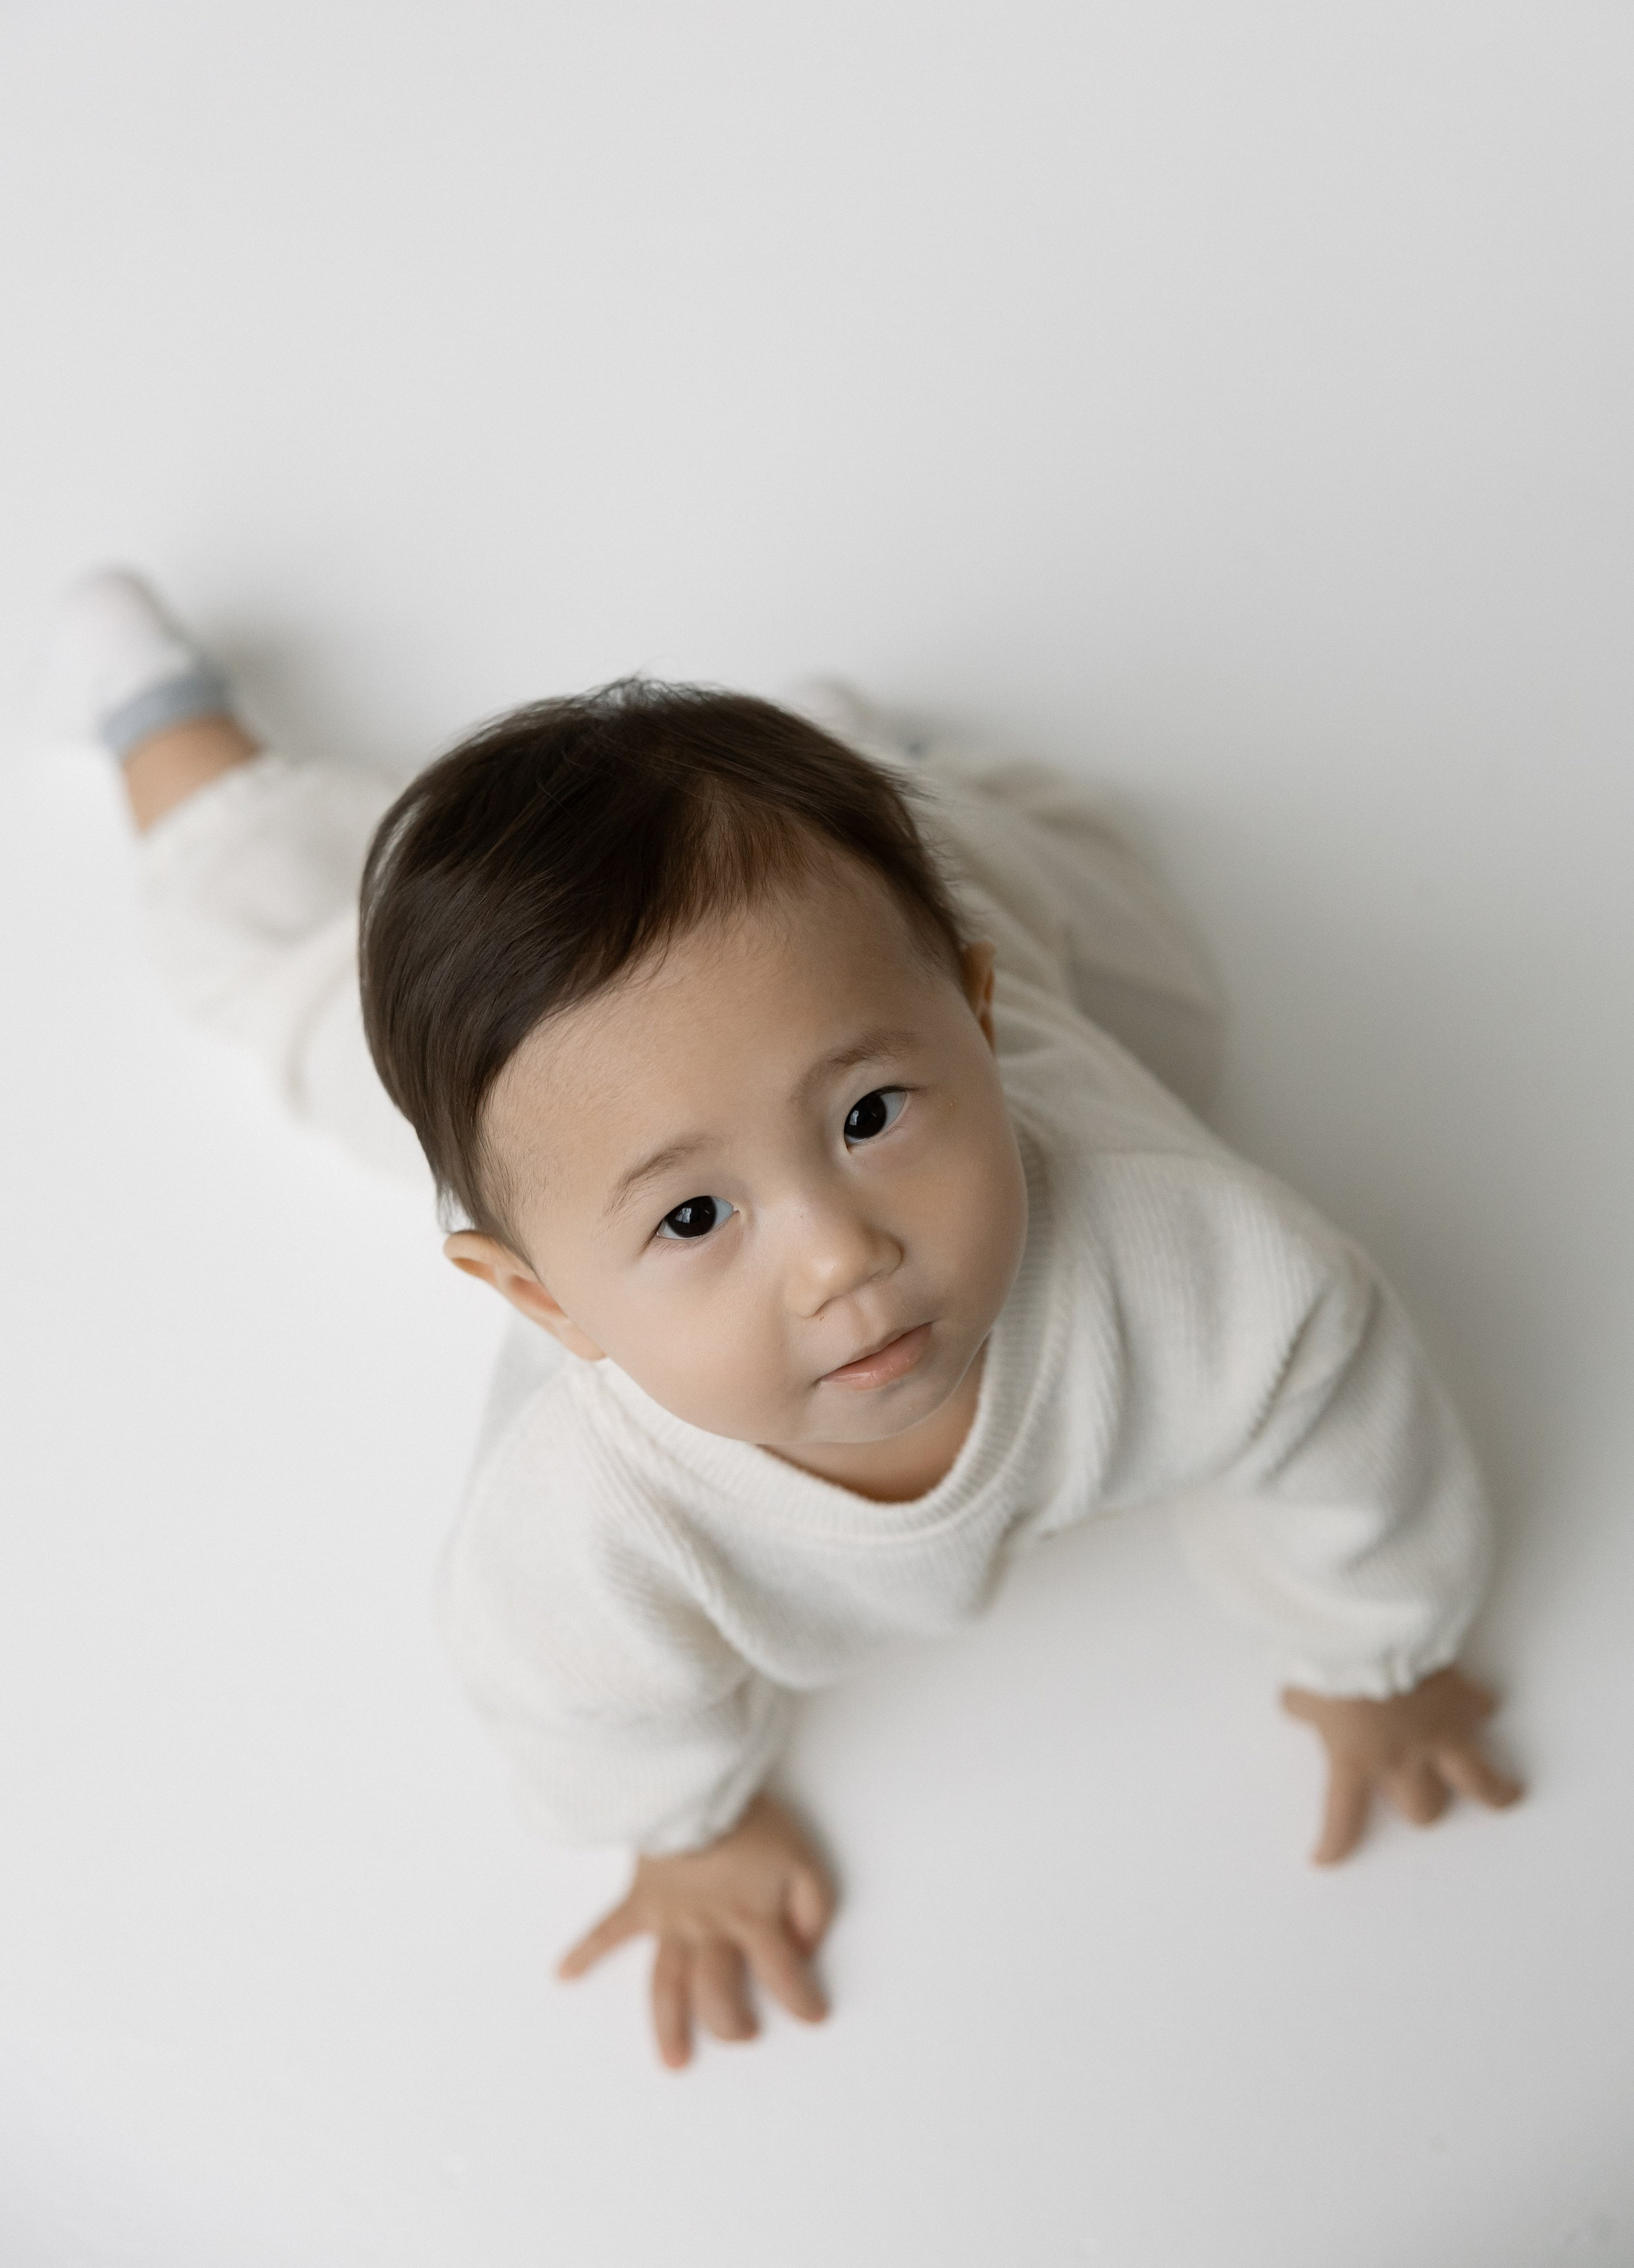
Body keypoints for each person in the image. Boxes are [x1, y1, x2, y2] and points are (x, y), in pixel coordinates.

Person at [40, 567, 1523, 2070]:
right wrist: (683, 1833)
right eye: (694, 1219)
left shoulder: (1186, 1253)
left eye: (872, 1115)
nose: (837, 1254)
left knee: (1090, 916)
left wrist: (1372, 1651)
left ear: (974, 1017)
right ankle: (164, 720)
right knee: (304, 992)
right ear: (542, 1298)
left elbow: (1342, 1422)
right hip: (622, 1057)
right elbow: (575, 1704)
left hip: (948, 884)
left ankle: (846, 772)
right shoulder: (578, 1521)